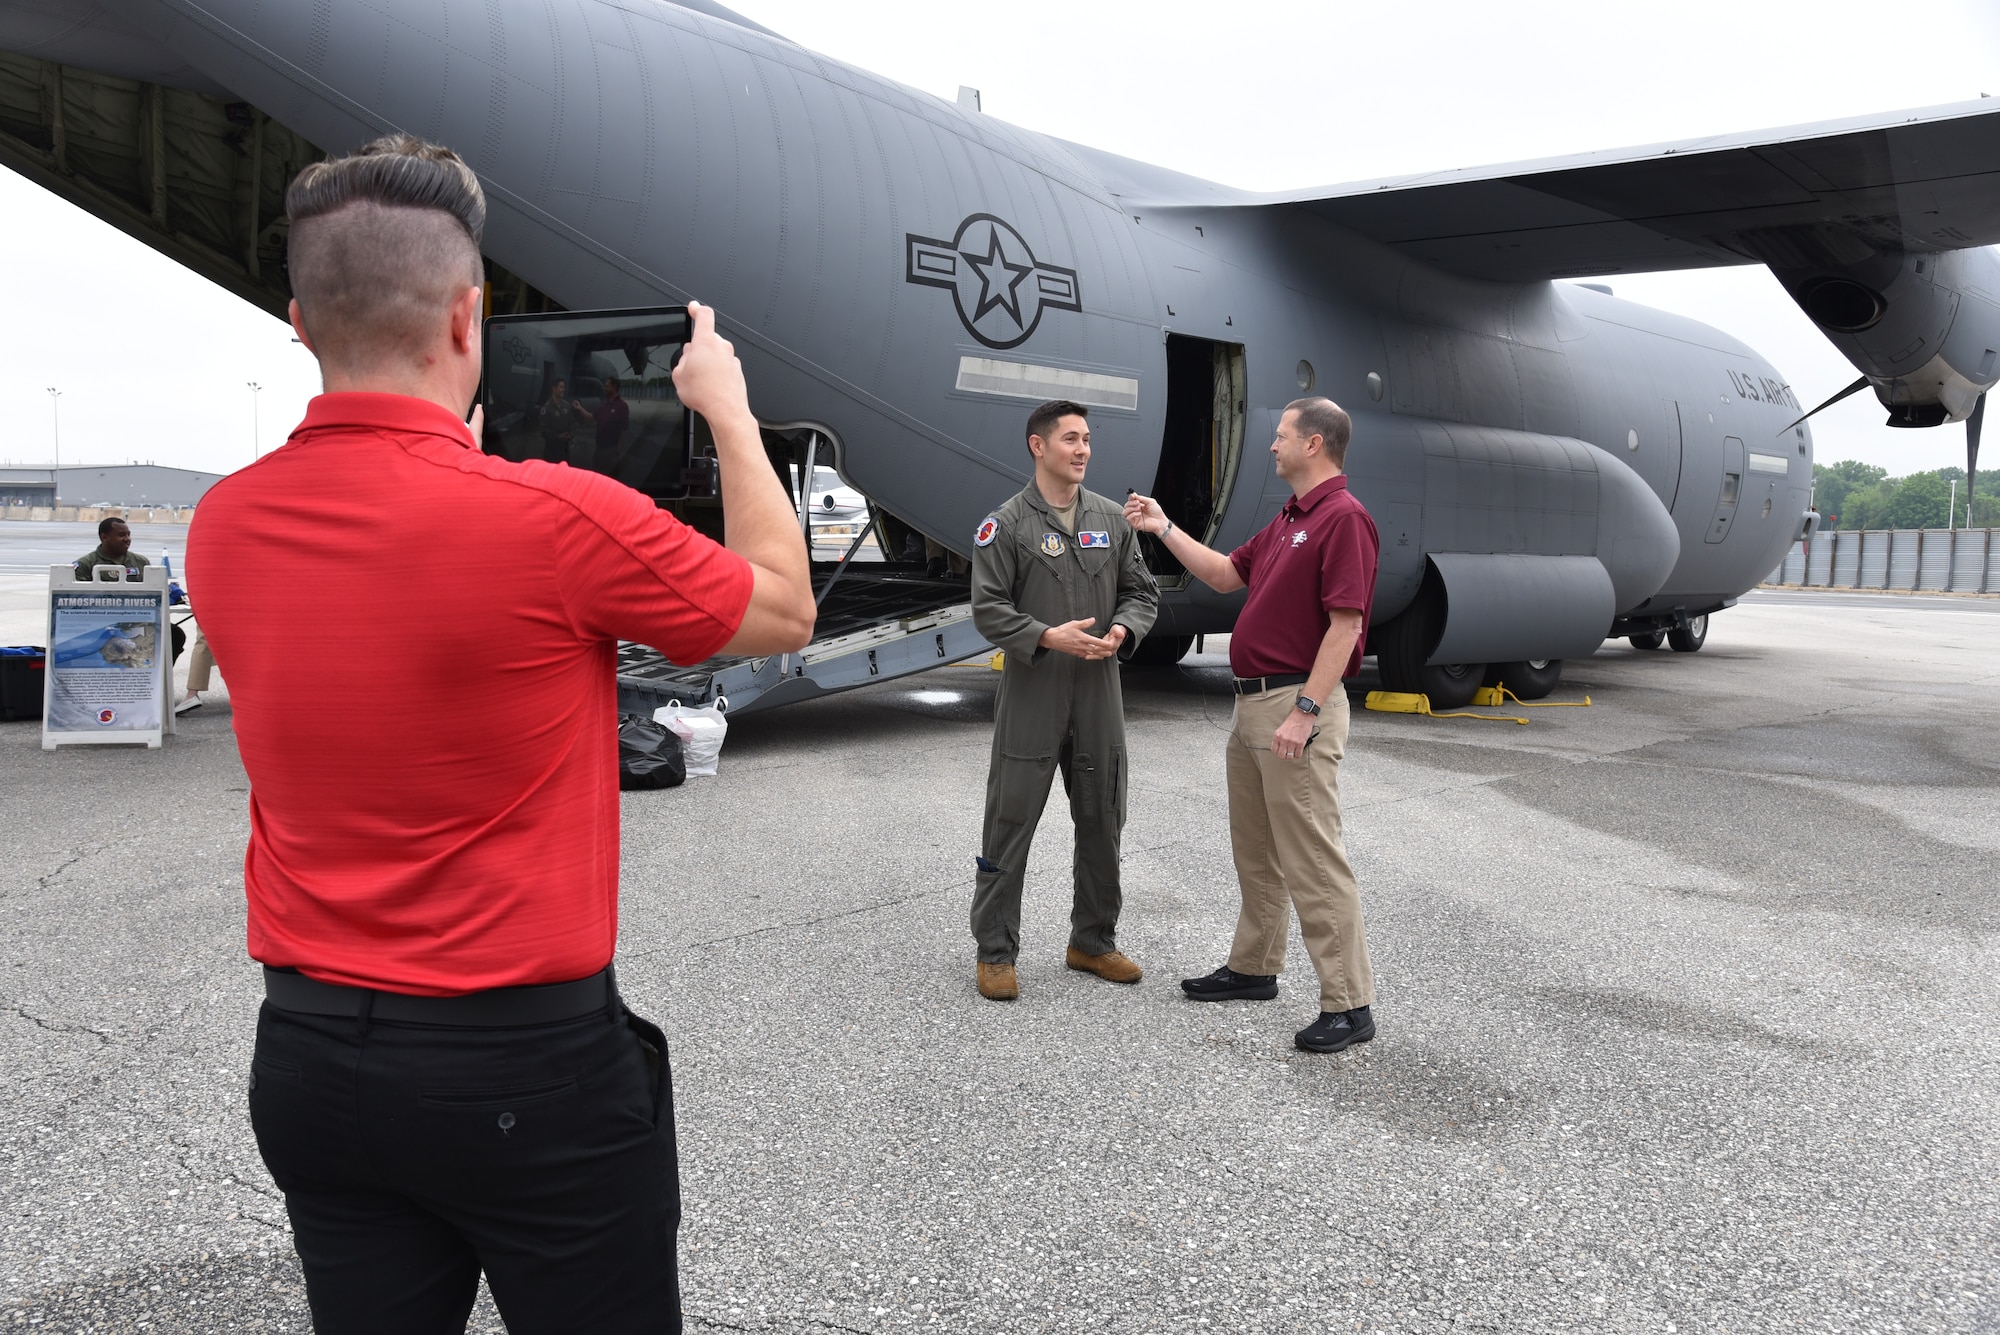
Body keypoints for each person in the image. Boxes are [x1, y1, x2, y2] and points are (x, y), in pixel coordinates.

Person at [187, 134, 814, 1332]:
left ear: (299, 322)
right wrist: (729, 415)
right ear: (470, 319)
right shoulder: (555, 518)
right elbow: (779, 604)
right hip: (521, 1069)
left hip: (311, 1055)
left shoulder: (221, 525)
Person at [1124, 398, 1381, 1054]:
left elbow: (1346, 626)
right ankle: (1254, 966)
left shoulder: (1343, 519)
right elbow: (1222, 573)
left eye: (1281, 436)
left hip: (1294, 705)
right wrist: (1163, 526)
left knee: (1313, 858)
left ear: (1315, 443)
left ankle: (1349, 1003)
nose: (1272, 446)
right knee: (1258, 853)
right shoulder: (1291, 518)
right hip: (1252, 706)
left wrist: (1305, 711)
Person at [967, 399, 1159, 1001]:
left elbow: (1142, 591)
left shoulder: (1111, 518)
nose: (1083, 450)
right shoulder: (1006, 525)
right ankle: (995, 952)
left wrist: (1124, 629)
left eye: (1087, 440)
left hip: (1098, 695)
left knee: (1103, 818)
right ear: (1038, 446)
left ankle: (1093, 942)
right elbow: (988, 608)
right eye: (1071, 439)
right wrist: (1047, 636)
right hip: (1035, 692)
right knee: (1011, 820)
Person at [72, 516, 144, 579]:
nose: (127, 539)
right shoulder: (85, 565)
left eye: (128, 535)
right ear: (104, 537)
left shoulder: (140, 562)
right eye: (121, 535)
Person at [537, 377, 587, 462]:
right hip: (551, 449)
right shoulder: (547, 408)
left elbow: (572, 422)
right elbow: (543, 429)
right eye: (561, 387)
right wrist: (557, 437)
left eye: (564, 387)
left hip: (564, 449)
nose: (563, 390)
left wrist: (571, 433)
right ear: (554, 389)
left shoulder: (567, 405)